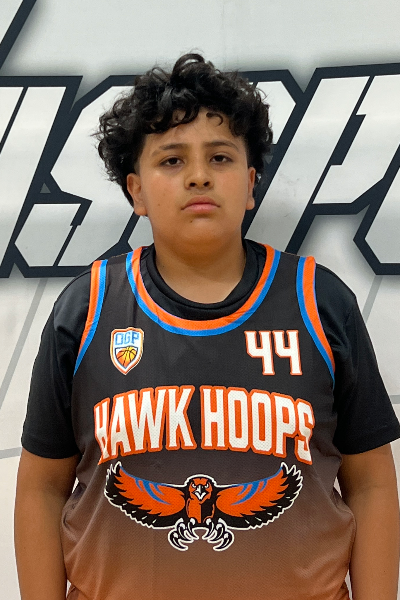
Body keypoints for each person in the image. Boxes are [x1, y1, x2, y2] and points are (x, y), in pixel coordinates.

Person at [15, 53, 400, 600]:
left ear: (250, 184)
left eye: (219, 157)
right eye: (172, 160)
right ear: (136, 192)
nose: (198, 175)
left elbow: (372, 482)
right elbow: (41, 489)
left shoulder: (319, 301)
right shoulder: (87, 309)